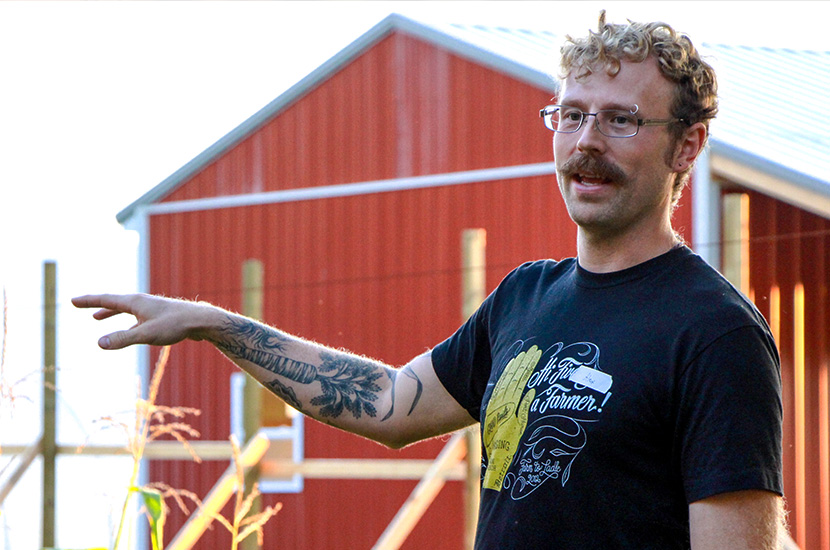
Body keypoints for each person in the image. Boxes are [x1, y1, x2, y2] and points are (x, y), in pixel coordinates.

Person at [74, 12, 784, 550]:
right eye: (572, 116)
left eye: (621, 121)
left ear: (686, 145)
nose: (586, 142)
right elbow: (387, 403)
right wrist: (215, 323)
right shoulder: (526, 297)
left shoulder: (714, 332)